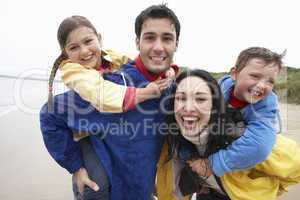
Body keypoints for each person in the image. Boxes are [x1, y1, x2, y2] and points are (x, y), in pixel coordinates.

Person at [40, 4, 181, 200]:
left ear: (176, 44)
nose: (158, 47)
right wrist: (76, 167)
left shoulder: (174, 90)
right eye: (150, 38)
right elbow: (50, 114)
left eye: (167, 38)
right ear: (137, 42)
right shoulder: (108, 86)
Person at [156, 69, 300, 200]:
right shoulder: (173, 138)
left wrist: (262, 191)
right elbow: (167, 183)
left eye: (200, 99)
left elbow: (295, 169)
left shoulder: (245, 140)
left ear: (214, 106)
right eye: (181, 98)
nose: (188, 108)